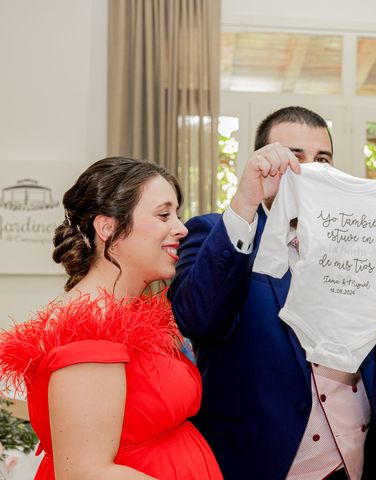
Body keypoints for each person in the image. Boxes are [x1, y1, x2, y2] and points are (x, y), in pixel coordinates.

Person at [168, 106, 376, 480]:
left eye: (322, 160)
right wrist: (245, 201)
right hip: (260, 463)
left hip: (354, 465)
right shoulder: (215, 230)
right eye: (294, 158)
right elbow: (197, 316)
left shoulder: (358, 240)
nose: (310, 171)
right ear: (262, 162)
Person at [0, 158, 223, 479]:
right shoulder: (88, 330)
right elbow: (85, 472)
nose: (181, 228)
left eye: (176, 213)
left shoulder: (128, 316)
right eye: (163, 215)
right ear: (108, 228)